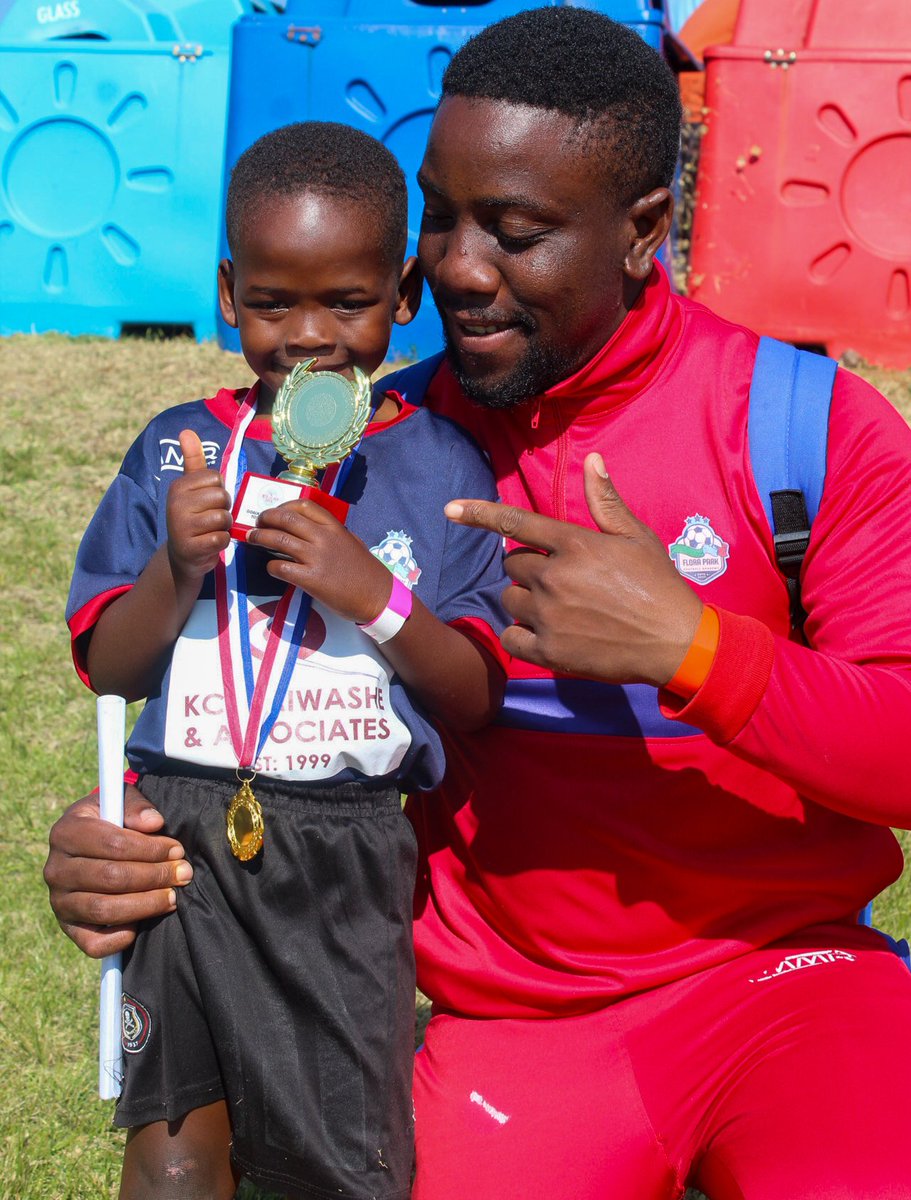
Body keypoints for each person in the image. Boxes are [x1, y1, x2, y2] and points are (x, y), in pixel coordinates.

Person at [47, 9, 911, 1199]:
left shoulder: (803, 426)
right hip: (514, 1024)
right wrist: (125, 846)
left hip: (790, 983)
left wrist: (696, 648)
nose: (454, 267)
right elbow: (237, 699)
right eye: (440, 214)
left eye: (514, 231)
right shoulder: (357, 438)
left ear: (643, 231)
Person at [62, 120, 507, 1200]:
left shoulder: (439, 460)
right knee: (171, 1145)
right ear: (226, 292)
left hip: (344, 854)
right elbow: (112, 668)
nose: (308, 337)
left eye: (346, 303)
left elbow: (475, 693)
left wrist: (374, 595)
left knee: (341, 1163)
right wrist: (175, 567)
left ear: (402, 294)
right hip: (181, 835)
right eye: (272, 303)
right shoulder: (181, 448)